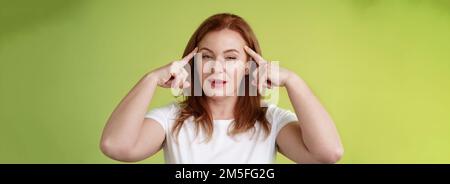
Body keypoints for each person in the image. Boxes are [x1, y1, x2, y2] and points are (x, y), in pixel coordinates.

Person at [100, 13, 343, 164]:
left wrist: (293, 80)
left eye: (230, 58)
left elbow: (328, 154)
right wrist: (150, 79)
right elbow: (115, 146)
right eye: (206, 56)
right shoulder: (172, 119)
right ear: (193, 63)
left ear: (249, 66)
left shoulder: (271, 120)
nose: (217, 68)